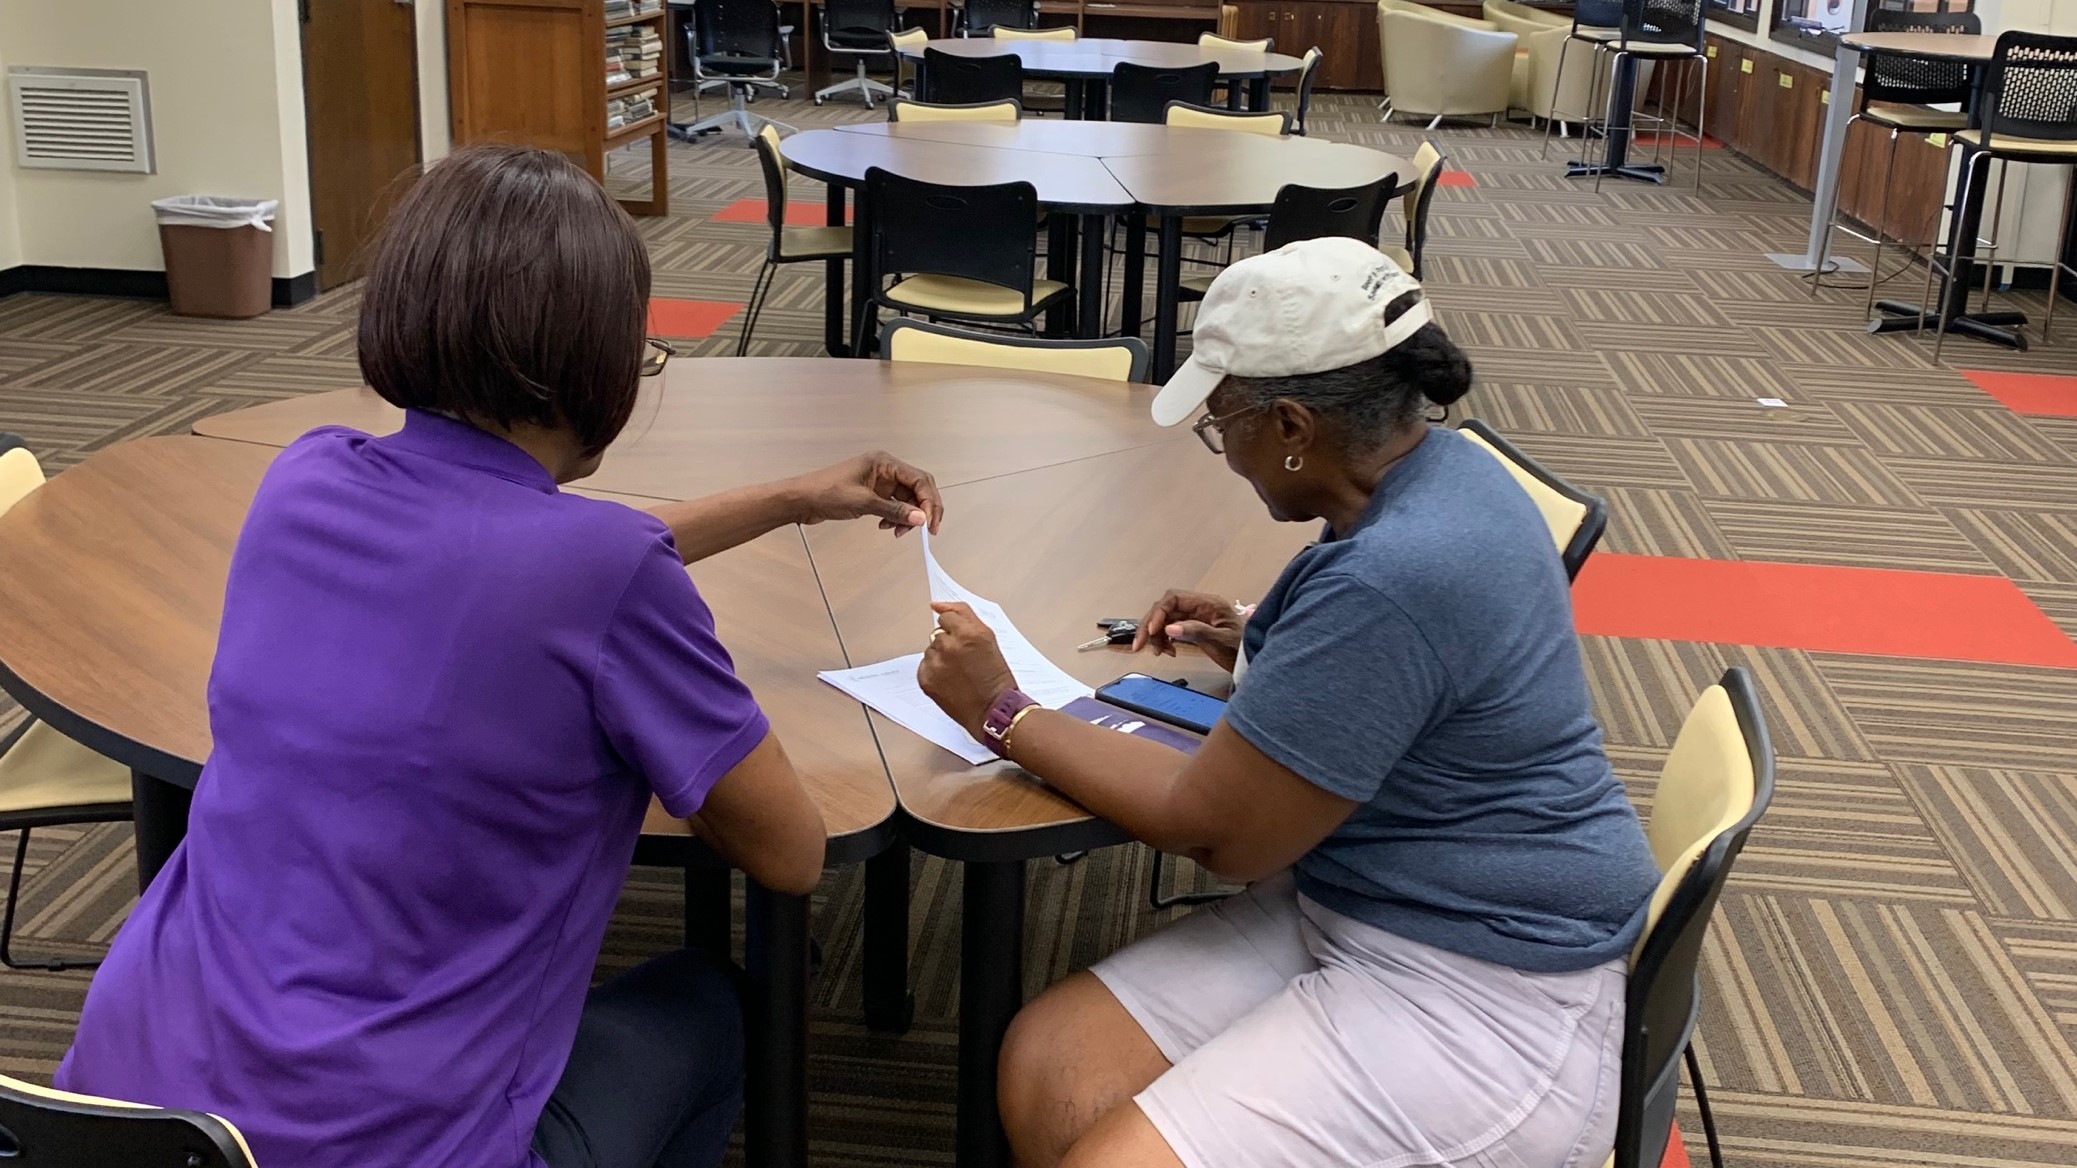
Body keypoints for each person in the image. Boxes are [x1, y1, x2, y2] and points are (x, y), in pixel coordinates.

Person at [55, 144, 945, 1168]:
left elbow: (540, 549)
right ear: (600, 367)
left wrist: (792, 498)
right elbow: (788, 852)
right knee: (712, 995)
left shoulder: (301, 482)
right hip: (391, 1148)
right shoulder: (604, 578)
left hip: (125, 1120)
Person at [918, 238, 1660, 1168]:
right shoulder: (1448, 473)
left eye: (1223, 423)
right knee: (1053, 1070)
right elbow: (1401, 665)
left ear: (1294, 426)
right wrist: (1264, 639)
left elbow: (1225, 838)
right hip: (1371, 898)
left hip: (1489, 989)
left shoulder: (1393, 578)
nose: (1223, 449)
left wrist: (1001, 710)